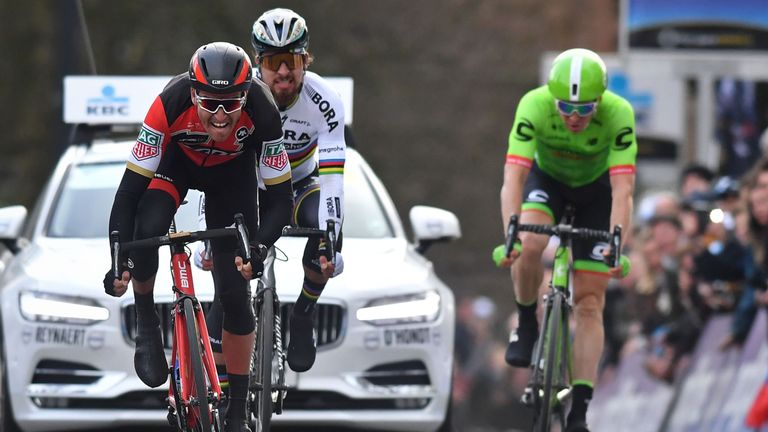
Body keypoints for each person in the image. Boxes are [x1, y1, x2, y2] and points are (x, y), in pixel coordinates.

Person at [103, 41, 293, 432]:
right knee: (148, 226)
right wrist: (118, 259)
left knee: (235, 293)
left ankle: (237, 411)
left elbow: (280, 201)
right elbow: (127, 194)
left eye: (231, 102)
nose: (221, 116)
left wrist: (257, 249)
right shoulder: (169, 103)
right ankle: (146, 322)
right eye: (209, 102)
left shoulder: (263, 110)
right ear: (193, 93)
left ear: (246, 94)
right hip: (177, 167)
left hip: (232, 181)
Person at [198, 8, 346, 377]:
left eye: (292, 60)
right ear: (258, 64)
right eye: (274, 61)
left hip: (300, 187)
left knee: (326, 232)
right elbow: (215, 170)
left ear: (305, 60)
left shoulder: (325, 103)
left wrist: (330, 238)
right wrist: (206, 238)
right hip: (250, 186)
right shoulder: (238, 98)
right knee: (228, 262)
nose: (283, 72)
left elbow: (333, 181)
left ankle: (303, 314)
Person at [498, 48, 636, 432]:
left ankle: (580, 409)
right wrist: (510, 234)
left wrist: (618, 244)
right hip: (549, 183)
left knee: (591, 303)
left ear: (601, 101)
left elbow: (623, 191)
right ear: (552, 97)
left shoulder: (619, 113)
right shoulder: (534, 105)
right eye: (565, 107)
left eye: (585, 109)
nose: (574, 118)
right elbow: (513, 179)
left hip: (597, 192)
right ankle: (527, 323)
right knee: (529, 243)